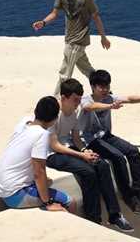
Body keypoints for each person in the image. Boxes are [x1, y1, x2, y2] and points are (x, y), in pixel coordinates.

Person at [46, 78, 134, 233]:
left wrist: (84, 150)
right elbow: (54, 145)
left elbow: (75, 138)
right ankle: (93, 219)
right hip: (52, 154)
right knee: (88, 172)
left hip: (68, 147)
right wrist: (80, 156)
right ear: (64, 98)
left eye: (79, 100)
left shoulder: (74, 112)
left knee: (102, 164)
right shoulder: (54, 113)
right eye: (75, 100)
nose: (77, 104)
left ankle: (115, 215)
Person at [79, 69, 140, 213]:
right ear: (93, 86)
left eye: (107, 86)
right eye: (102, 87)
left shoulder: (109, 97)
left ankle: (139, 191)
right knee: (118, 157)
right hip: (91, 140)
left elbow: (129, 98)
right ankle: (127, 196)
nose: (105, 90)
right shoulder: (87, 99)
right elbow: (90, 107)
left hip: (105, 136)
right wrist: (110, 106)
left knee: (133, 151)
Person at [31, 0, 112, 95]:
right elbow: (54, 13)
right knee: (88, 70)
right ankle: (102, 88)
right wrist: (43, 22)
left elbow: (96, 17)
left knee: (64, 73)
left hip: (77, 41)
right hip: (69, 38)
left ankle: (56, 101)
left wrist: (103, 37)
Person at [0, 96, 75, 213]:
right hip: (15, 195)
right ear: (54, 120)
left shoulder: (24, 123)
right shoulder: (42, 135)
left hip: (5, 188)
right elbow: (39, 172)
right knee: (70, 202)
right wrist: (48, 203)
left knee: (48, 182)